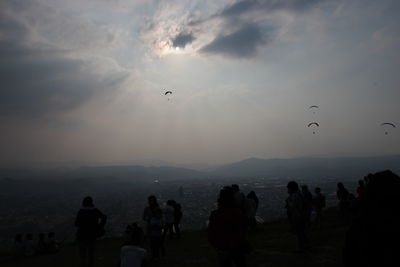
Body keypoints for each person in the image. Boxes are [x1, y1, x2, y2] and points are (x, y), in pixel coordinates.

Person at [208, 186, 249, 267]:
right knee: (240, 263)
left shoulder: (215, 214)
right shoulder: (238, 213)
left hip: (222, 247)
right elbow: (242, 230)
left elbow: (211, 233)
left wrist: (217, 246)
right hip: (237, 245)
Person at [75, 196, 107, 267]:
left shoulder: (81, 211)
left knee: (82, 255)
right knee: (91, 254)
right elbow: (104, 217)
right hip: (92, 235)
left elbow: (76, 223)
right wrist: (99, 227)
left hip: (81, 235)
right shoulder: (95, 210)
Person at [286, 181, 308, 252]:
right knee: (301, 231)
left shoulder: (295, 195)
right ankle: (304, 245)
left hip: (297, 216)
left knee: (297, 232)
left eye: (288, 188)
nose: (287, 190)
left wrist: (288, 200)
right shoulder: (299, 193)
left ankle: (299, 248)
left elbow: (293, 206)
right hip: (302, 215)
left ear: (291, 188)